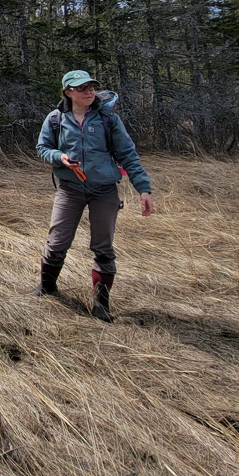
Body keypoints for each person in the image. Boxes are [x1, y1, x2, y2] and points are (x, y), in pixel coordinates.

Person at [34, 70, 154, 321]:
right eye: (81, 88)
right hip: (70, 190)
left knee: (103, 247)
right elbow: (43, 148)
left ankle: (101, 304)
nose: (89, 91)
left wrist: (143, 188)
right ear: (68, 93)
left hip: (104, 191)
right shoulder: (56, 119)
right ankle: (47, 286)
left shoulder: (109, 119)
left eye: (91, 86)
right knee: (57, 242)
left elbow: (128, 155)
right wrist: (59, 157)